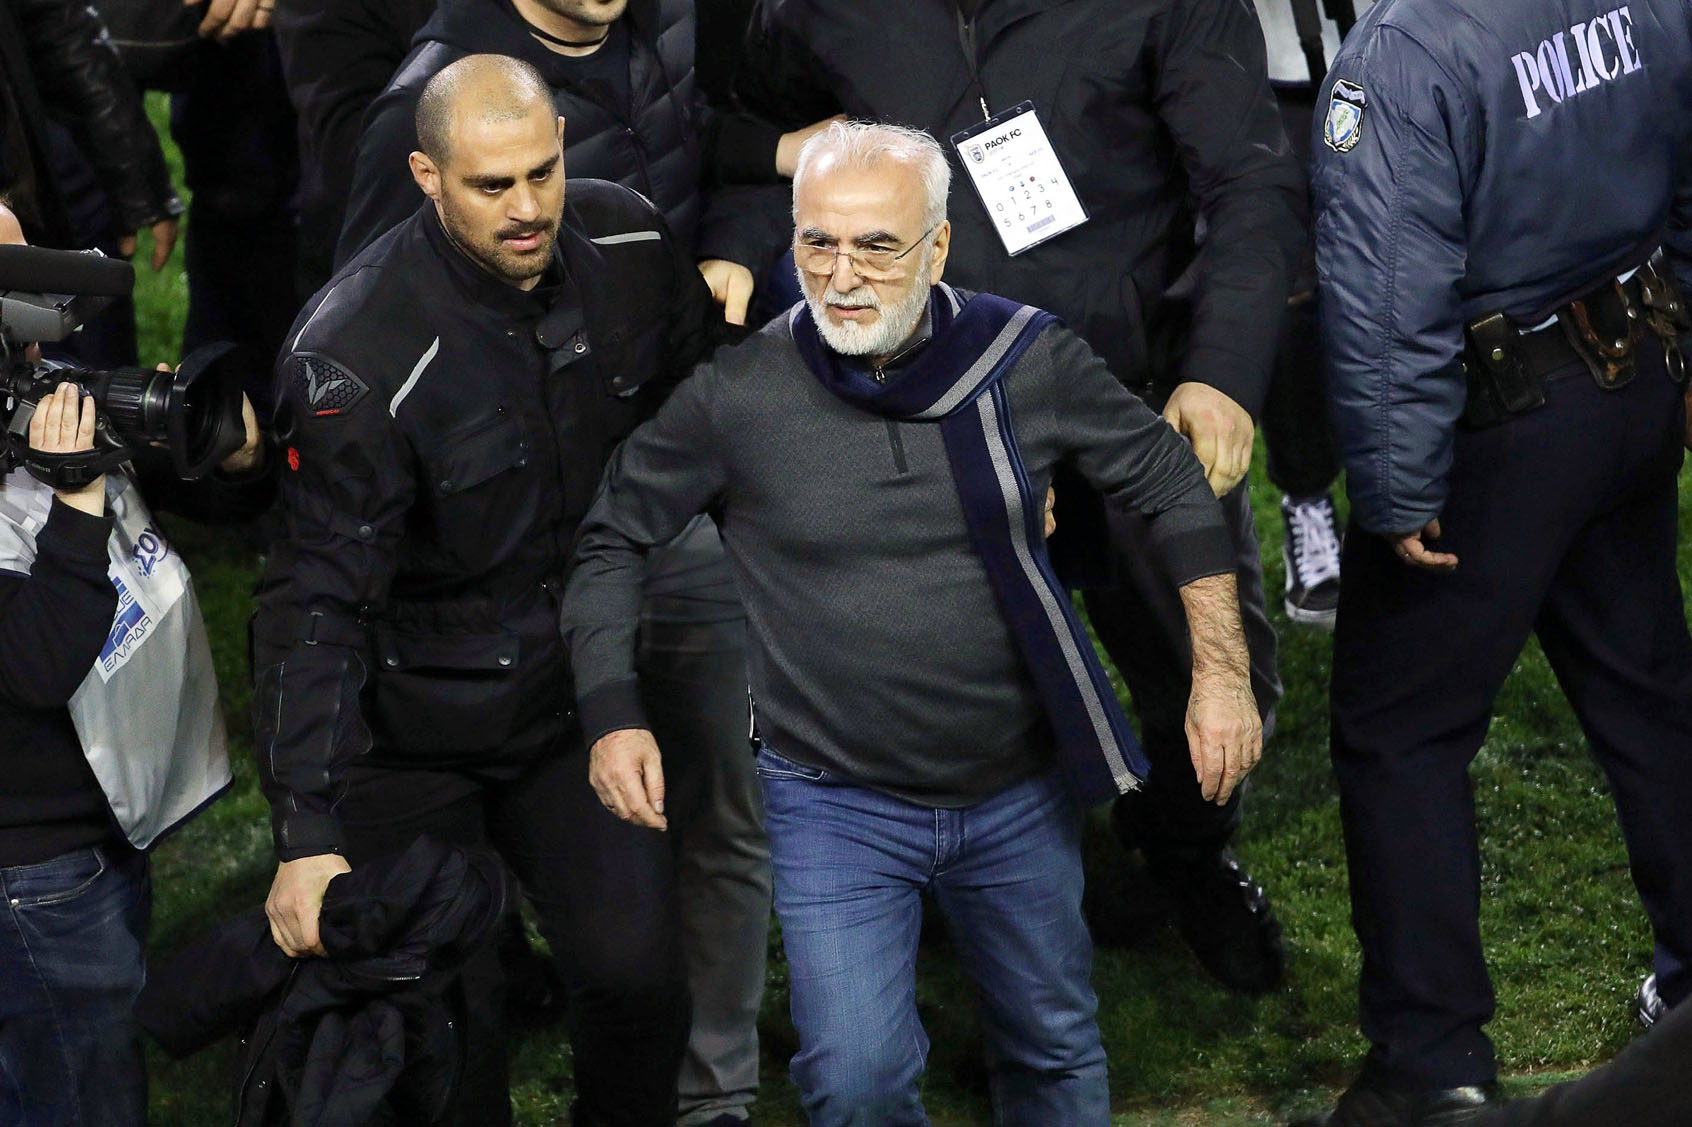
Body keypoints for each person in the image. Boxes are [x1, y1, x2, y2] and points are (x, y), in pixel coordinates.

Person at [561, 120, 1263, 1125]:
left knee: (1054, 1049)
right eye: (816, 243)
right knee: (854, 1080)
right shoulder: (737, 396)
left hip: (1016, 790)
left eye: (876, 245)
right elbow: (611, 536)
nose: (841, 276)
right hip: (831, 804)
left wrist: (1222, 672)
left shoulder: (1025, 360)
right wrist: (614, 708)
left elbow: (1170, 484)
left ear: (936, 248)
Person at [735, 0, 1302, 993]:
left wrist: (1219, 372)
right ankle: (968, 907)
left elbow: (1252, 180)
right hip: (938, 417)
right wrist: (772, 194)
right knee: (957, 697)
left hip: (1134, 397)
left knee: (1218, 673)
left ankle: (1181, 853)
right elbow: (743, 113)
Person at [252, 54, 730, 1126]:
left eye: (543, 172)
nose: (528, 208)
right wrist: (308, 828)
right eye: (491, 185)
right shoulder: (354, 355)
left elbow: (712, 419)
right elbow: (314, 602)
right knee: (446, 1031)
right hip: (407, 730)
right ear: (427, 174)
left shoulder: (632, 242)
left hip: (568, 692)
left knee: (641, 971)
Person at [1304, 0, 1692, 1122]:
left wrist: (1394, 486)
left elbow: (1387, 296)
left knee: (1402, 732)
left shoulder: (1404, 54)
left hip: (1501, 425)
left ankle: (1429, 1063)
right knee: (1648, 689)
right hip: (1634, 375)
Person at [0, 203, 268, 1127]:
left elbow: (223, 497)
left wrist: (218, 446)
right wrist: (76, 503)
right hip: (34, 866)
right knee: (81, 1089)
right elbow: (35, 662)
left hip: (97, 828)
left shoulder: (41, 392)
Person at [1251, 0, 1374, 629]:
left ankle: (1423, 477)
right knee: (1290, 297)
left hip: (1393, 48)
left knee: (1413, 263)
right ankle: (1308, 499)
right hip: (1261, 74)